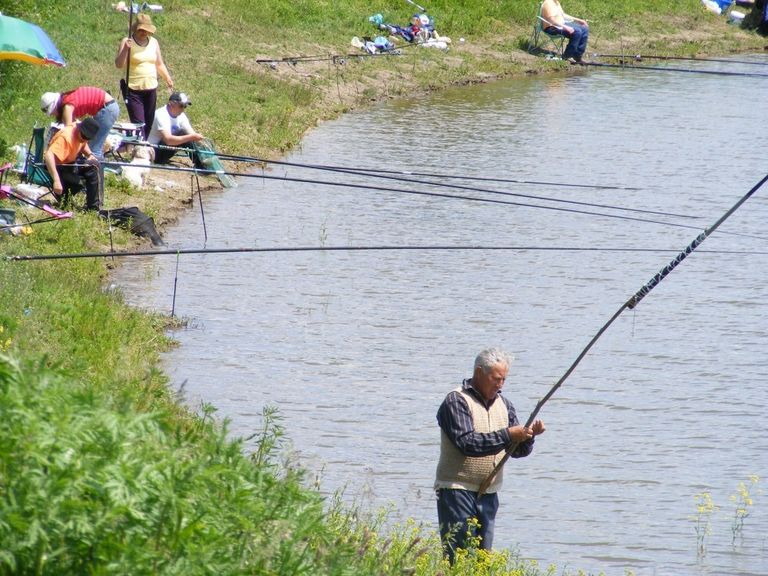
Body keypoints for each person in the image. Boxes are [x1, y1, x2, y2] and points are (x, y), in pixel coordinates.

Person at [434, 347, 545, 563]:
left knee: (483, 561)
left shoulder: (505, 405)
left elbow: (517, 451)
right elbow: (468, 444)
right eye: (496, 379)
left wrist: (529, 436)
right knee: (458, 557)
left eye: (504, 379)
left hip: (489, 493)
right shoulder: (456, 401)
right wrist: (508, 434)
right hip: (456, 490)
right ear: (479, 373)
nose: (500, 385)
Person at [114, 13, 174, 139]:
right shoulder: (127, 41)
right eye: (141, 30)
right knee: (139, 124)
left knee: (149, 123)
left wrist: (167, 78)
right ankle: (139, 149)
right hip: (133, 89)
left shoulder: (154, 43)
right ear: (136, 28)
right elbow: (119, 64)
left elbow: (159, 63)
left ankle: (145, 149)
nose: (144, 33)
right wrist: (125, 49)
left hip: (151, 88)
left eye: (147, 30)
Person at [40, 87, 120, 161]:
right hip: (108, 106)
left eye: (52, 112)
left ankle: (98, 172)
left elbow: (69, 133)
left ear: (55, 106)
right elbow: (75, 127)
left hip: (107, 109)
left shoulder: (67, 107)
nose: (53, 115)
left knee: (94, 150)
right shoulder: (67, 99)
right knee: (91, 145)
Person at [43, 117, 104, 211]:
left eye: (87, 138)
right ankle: (94, 208)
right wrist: (56, 180)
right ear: (79, 129)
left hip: (70, 163)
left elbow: (83, 144)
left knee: (96, 162)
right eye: (84, 137)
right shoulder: (66, 136)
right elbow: (48, 155)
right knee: (95, 165)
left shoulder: (80, 134)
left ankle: (94, 206)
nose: (84, 140)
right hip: (58, 167)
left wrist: (90, 154)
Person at [147, 92, 205, 165]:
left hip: (165, 149)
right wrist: (191, 137)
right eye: (181, 106)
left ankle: (203, 162)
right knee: (183, 134)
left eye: (185, 106)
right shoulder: (161, 114)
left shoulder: (181, 116)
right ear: (171, 104)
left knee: (186, 135)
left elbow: (191, 133)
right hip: (153, 152)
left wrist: (200, 140)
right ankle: (201, 165)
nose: (183, 109)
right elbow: (168, 140)